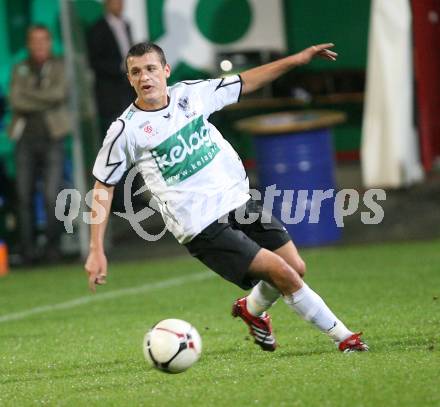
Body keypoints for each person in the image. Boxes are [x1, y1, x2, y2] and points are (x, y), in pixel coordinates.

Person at [85, 42, 368, 353]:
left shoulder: (190, 95)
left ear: (165, 71)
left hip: (237, 201)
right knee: (282, 273)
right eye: (136, 72)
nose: (144, 77)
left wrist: (296, 60)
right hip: (201, 224)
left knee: (295, 267)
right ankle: (345, 339)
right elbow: (103, 185)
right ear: (129, 79)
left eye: (151, 69)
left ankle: (251, 310)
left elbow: (246, 81)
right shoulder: (126, 129)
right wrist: (96, 248)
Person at [8, 25, 70, 263]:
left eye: (43, 40)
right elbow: (15, 100)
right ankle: (28, 250)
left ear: (50, 42)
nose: (39, 45)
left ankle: (53, 248)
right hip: (24, 138)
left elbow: (59, 94)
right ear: (28, 43)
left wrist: (29, 96)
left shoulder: (60, 65)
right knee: (24, 195)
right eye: (34, 40)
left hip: (53, 136)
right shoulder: (20, 67)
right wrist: (42, 98)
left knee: (51, 195)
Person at [87, 0, 135, 137]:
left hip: (129, 89)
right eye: (115, 1)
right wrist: (120, 67)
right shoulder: (97, 29)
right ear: (106, 4)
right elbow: (94, 61)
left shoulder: (126, 24)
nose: (119, 4)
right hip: (110, 94)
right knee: (115, 135)